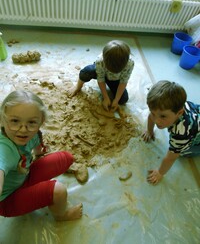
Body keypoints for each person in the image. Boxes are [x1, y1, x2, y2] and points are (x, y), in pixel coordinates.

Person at [0, 90, 83, 220]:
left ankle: (34, 189)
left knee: (67, 158)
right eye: (15, 121)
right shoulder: (4, 149)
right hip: (7, 200)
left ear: (41, 121)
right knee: (59, 191)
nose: (23, 129)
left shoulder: (33, 133)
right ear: (1, 119)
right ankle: (62, 216)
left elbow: (37, 144)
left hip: (24, 176)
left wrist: (39, 153)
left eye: (32, 122)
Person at [142, 80, 200, 185]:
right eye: (153, 113)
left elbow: (170, 158)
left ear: (179, 113)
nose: (156, 120)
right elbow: (151, 117)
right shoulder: (174, 106)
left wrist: (160, 173)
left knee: (181, 152)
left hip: (196, 137)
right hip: (195, 114)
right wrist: (149, 131)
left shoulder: (181, 134)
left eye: (163, 116)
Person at [68, 40, 134, 112]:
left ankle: (116, 96)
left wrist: (116, 100)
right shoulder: (100, 61)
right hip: (101, 73)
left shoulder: (130, 64)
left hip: (116, 79)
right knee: (87, 71)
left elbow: (123, 81)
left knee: (123, 99)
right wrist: (106, 97)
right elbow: (101, 78)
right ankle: (78, 87)